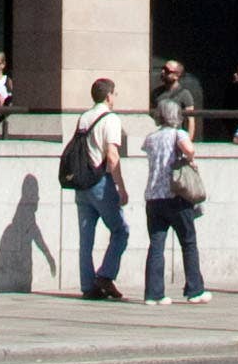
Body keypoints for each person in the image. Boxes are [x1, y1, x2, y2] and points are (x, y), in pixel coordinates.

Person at [129, 101, 201, 306]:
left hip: (153, 197)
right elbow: (189, 149)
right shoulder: (179, 134)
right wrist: (189, 158)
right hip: (175, 195)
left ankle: (154, 293)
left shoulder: (151, 138)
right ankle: (194, 289)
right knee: (188, 242)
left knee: (156, 245)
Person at [65, 79, 127, 304]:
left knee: (86, 239)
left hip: (82, 183)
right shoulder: (110, 119)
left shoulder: (84, 117)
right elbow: (112, 155)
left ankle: (87, 285)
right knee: (121, 230)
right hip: (101, 182)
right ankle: (105, 276)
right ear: (109, 96)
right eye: (114, 94)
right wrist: (121, 187)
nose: (115, 98)